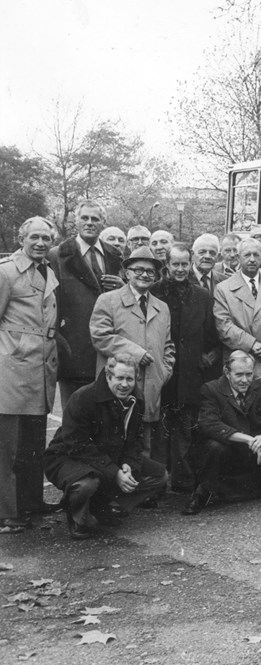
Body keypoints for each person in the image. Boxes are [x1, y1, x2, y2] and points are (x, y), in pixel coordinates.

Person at [44, 355, 167, 538]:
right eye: (119, 378)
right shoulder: (83, 397)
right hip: (68, 457)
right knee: (86, 483)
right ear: (108, 377)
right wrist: (114, 472)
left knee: (160, 476)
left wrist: (128, 464)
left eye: (129, 379)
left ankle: (101, 506)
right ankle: (77, 516)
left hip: (109, 457)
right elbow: (77, 445)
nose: (125, 385)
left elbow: (135, 440)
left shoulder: (136, 399)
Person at [90, 245, 176, 466]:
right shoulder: (108, 300)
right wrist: (136, 353)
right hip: (117, 384)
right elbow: (100, 336)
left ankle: (141, 494)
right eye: (138, 269)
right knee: (111, 439)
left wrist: (164, 371)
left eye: (150, 271)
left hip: (150, 385)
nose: (145, 275)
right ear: (126, 273)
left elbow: (168, 345)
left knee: (143, 441)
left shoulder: (162, 307)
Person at [185, 351, 261, 514]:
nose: (245, 380)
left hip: (254, 452)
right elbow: (210, 424)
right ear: (227, 372)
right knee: (213, 446)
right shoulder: (211, 389)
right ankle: (203, 492)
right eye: (239, 375)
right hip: (231, 449)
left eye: (249, 374)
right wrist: (248, 439)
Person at [0, 217, 59, 533]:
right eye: (34, 236)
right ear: (21, 238)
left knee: (33, 442)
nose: (40, 243)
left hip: (41, 368)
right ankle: (7, 512)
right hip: (11, 367)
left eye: (46, 238)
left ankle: (31, 501)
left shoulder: (47, 271)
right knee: (6, 446)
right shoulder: (6, 272)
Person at [150, 243, 219, 493]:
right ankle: (157, 483)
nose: (180, 269)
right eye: (175, 264)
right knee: (159, 428)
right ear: (167, 265)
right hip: (163, 369)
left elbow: (211, 334)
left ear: (190, 264)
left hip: (191, 372)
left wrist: (206, 357)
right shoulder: (155, 292)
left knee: (184, 428)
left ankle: (182, 479)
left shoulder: (201, 295)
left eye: (184, 264)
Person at [48, 200, 124, 406]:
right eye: (85, 218)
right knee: (74, 415)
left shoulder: (114, 255)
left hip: (108, 348)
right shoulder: (58, 255)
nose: (90, 223)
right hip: (73, 349)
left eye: (95, 219)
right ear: (76, 221)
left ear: (103, 223)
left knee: (105, 416)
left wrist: (122, 286)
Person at [214, 238, 261, 393]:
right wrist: (252, 345)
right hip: (238, 362)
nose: (252, 259)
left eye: (256, 255)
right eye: (247, 255)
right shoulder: (223, 289)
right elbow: (223, 325)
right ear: (238, 257)